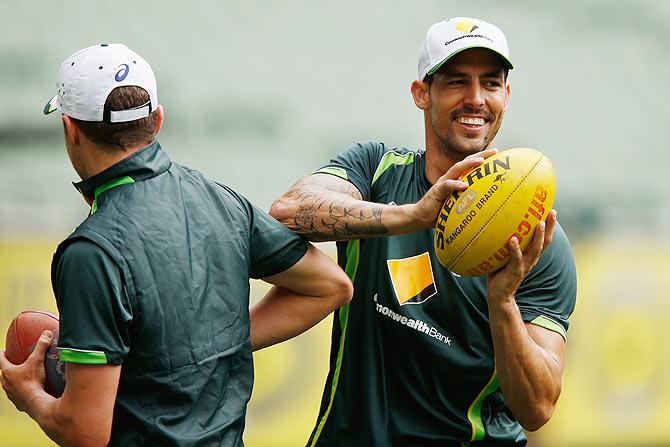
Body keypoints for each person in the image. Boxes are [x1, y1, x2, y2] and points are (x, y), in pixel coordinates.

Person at [0, 43, 353, 446]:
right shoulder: (219, 199)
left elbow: (85, 432)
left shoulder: (90, 252)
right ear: (157, 120)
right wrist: (207, 347)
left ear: (71, 129)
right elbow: (331, 285)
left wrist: (26, 392)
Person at [270, 17, 577, 446]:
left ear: (506, 95)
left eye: (490, 83)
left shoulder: (537, 237)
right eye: (456, 82)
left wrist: (502, 301)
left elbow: (538, 407)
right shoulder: (377, 169)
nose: (475, 99)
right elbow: (288, 211)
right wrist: (412, 216)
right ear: (421, 93)